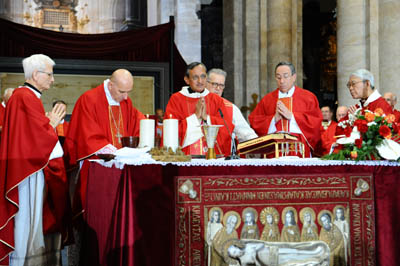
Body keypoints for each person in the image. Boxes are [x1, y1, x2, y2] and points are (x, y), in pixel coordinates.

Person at [0, 54, 71, 266]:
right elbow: (36, 137)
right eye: (49, 74)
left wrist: (47, 124)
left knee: (30, 222)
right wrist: (51, 124)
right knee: (25, 222)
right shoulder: (25, 97)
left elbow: (32, 133)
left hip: (28, 168)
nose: (53, 79)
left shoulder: (27, 96)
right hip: (25, 171)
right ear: (35, 74)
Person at [63, 68, 145, 216]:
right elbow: (87, 134)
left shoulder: (125, 101)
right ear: (110, 86)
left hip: (122, 164)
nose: (126, 97)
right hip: (96, 161)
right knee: (98, 208)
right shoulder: (89, 99)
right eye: (122, 92)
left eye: (129, 92)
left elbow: (135, 123)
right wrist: (113, 151)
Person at [249, 61, 322, 157]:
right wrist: (273, 120)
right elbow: (255, 122)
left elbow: (316, 124)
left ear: (294, 77)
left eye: (285, 76)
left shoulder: (308, 98)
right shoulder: (267, 99)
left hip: (299, 149)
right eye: (278, 77)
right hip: (273, 151)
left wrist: (292, 117)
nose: (282, 81)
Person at [164, 62, 234, 156]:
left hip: (213, 157)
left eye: (203, 76)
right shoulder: (176, 99)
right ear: (187, 80)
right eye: (195, 77)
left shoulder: (216, 100)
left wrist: (207, 118)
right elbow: (171, 130)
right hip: (185, 157)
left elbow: (227, 127)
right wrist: (195, 117)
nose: (200, 81)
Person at [206, 68, 258, 143]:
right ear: (205, 83)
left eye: (221, 85)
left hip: (224, 154)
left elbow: (246, 134)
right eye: (214, 84)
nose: (218, 88)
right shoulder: (196, 103)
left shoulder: (230, 108)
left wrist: (259, 143)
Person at [225, 239, 330, 266]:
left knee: (294, 251)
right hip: (272, 261)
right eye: (234, 254)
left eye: (235, 250)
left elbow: (261, 244)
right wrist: (255, 259)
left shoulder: (248, 246)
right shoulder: (244, 262)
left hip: (273, 250)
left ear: (237, 247)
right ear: (234, 257)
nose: (236, 253)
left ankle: (315, 252)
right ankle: (315, 259)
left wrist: (255, 251)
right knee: (294, 259)